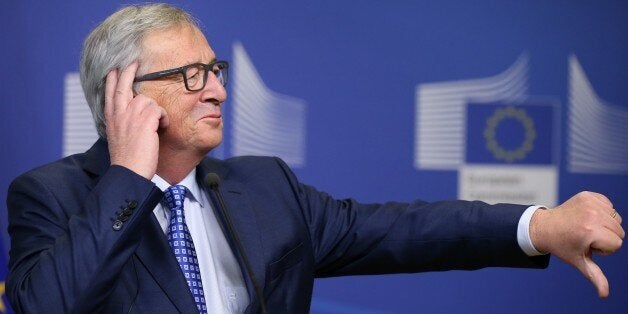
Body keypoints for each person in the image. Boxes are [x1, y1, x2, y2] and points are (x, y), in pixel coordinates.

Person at [5, 3, 624, 314]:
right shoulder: (51, 195)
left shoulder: (264, 187)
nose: (220, 88)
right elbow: (46, 305)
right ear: (126, 94)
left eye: (215, 70)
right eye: (194, 74)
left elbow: (401, 230)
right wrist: (128, 178)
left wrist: (540, 226)